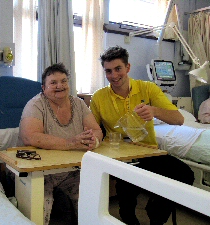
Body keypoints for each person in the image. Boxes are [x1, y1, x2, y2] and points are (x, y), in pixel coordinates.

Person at [90, 46, 194, 225]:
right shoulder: (99, 97)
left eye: (118, 69)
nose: (114, 75)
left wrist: (154, 111)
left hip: (147, 151)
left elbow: (178, 120)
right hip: (119, 155)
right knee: (127, 195)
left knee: (185, 174)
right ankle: (128, 214)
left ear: (128, 67)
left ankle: (156, 213)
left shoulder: (148, 89)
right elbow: (94, 128)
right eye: (108, 71)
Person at [18, 62, 103, 225]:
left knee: (91, 196)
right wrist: (70, 142)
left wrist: (94, 141)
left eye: (63, 81)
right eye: (53, 82)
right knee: (40, 207)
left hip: (71, 171)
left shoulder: (78, 103)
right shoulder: (36, 105)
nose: (60, 86)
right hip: (40, 172)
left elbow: (96, 130)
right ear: (44, 88)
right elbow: (30, 137)